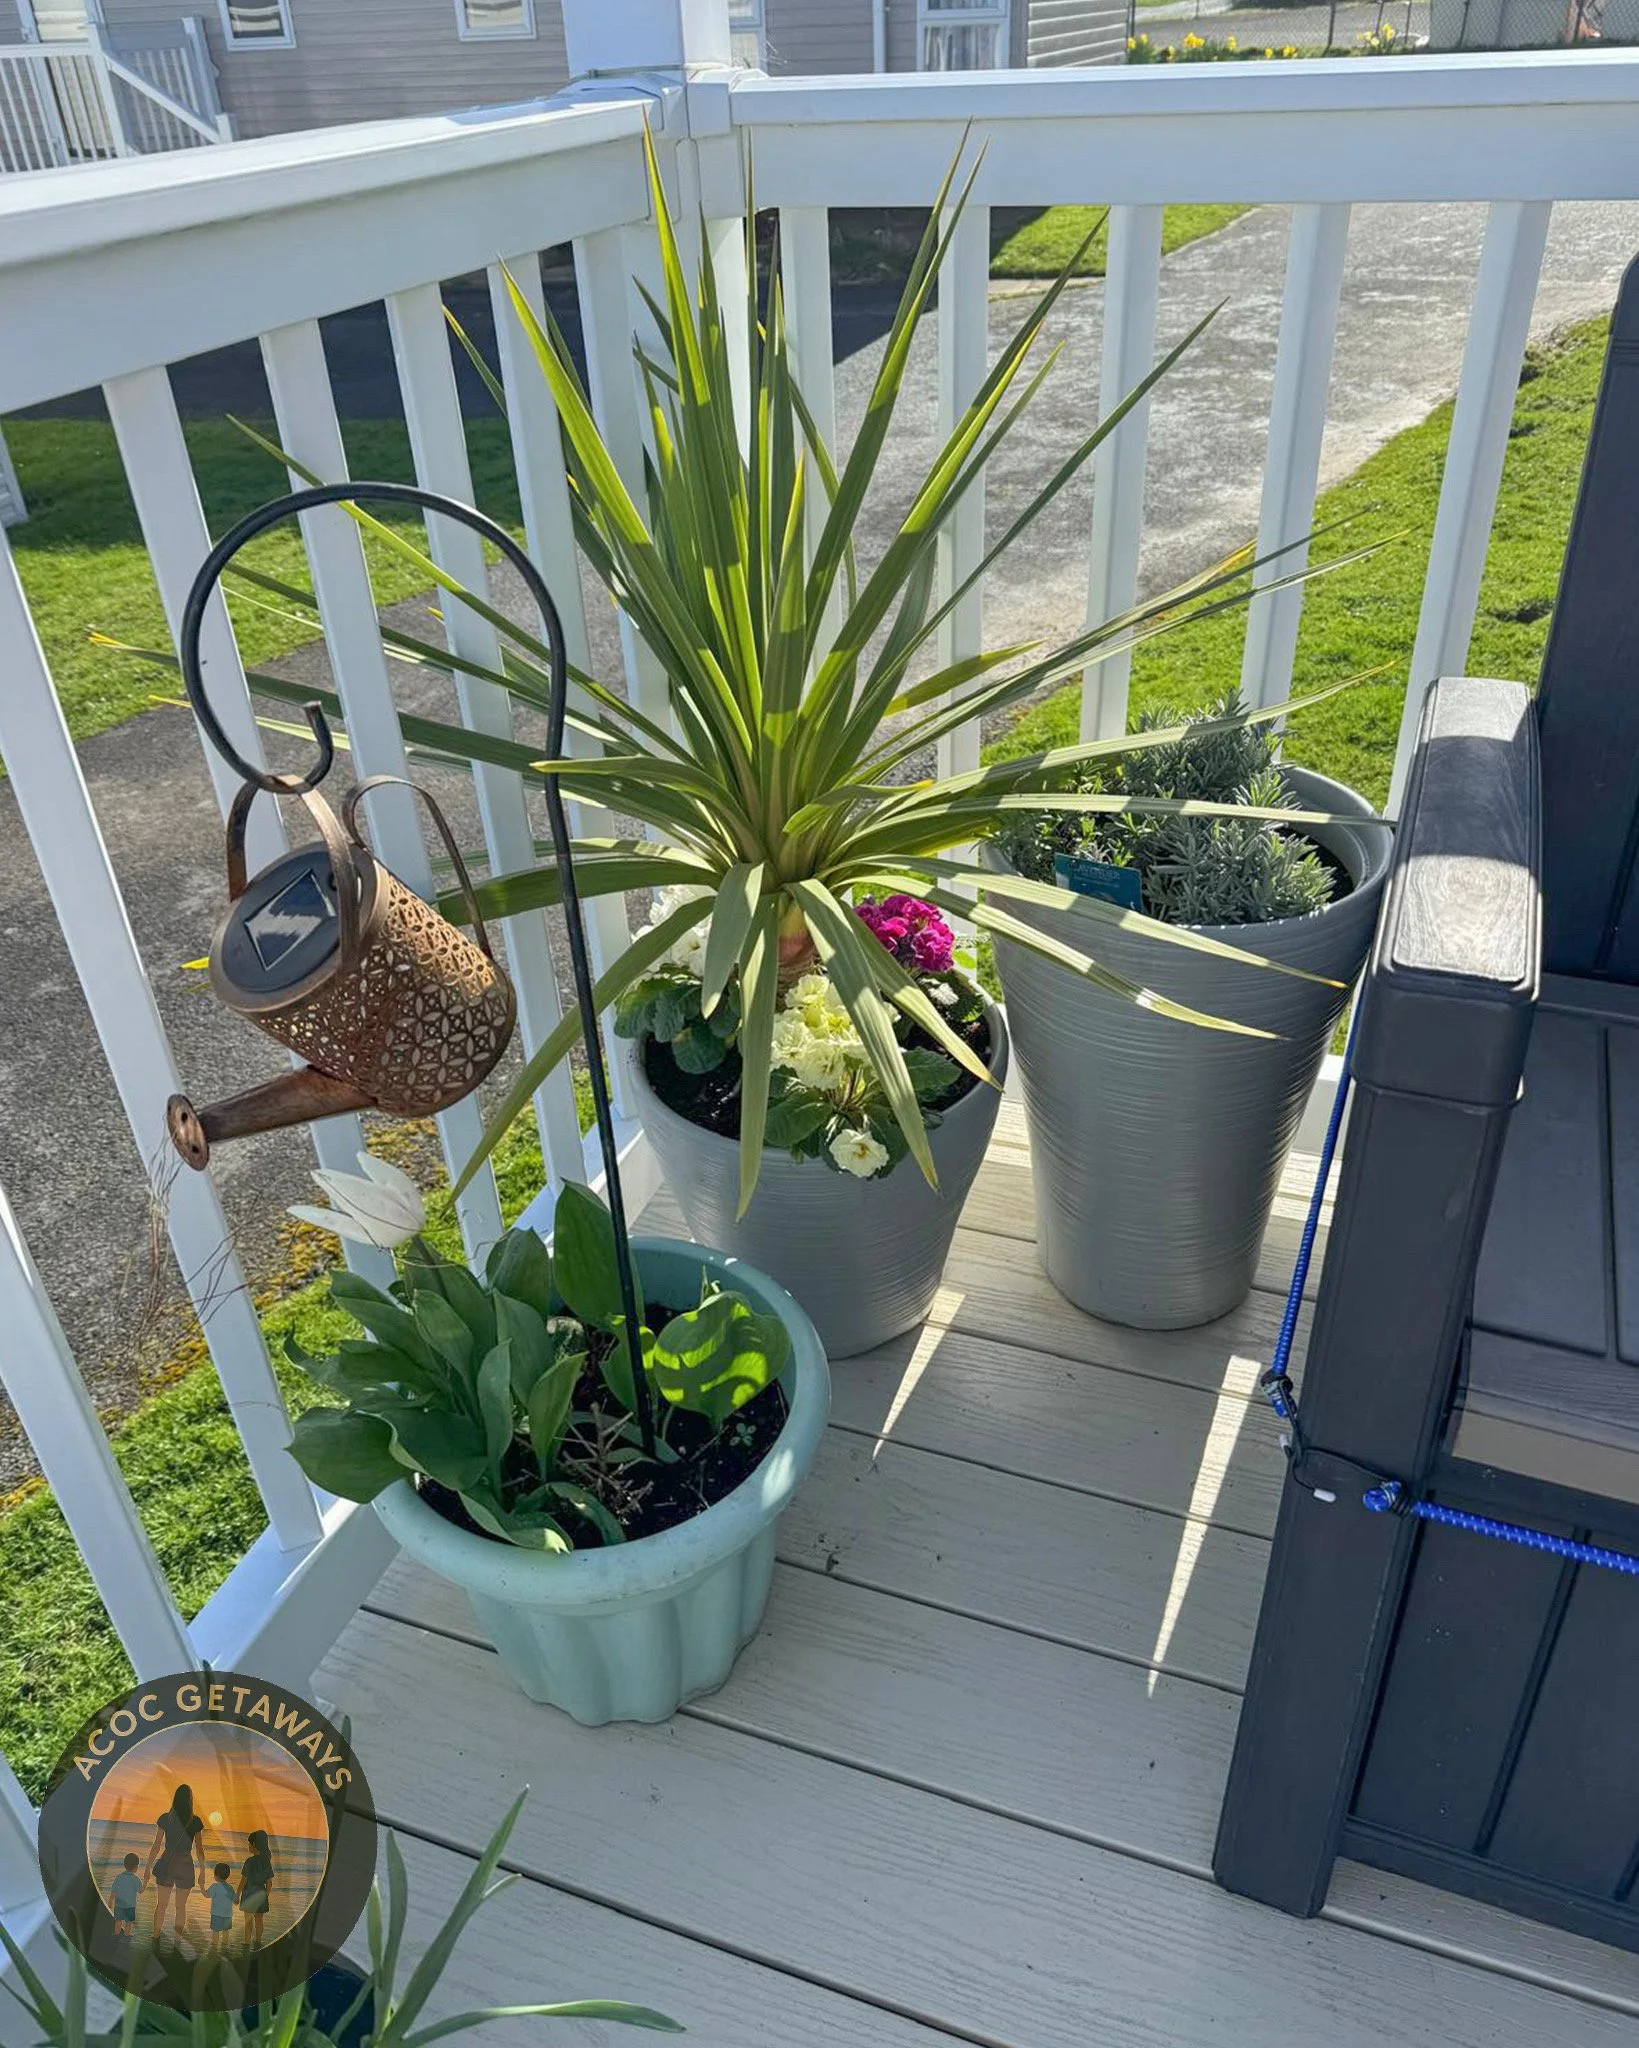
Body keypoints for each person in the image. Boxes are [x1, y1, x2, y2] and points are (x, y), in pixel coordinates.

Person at [144, 1784, 205, 1947]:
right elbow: (199, 1849)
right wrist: (203, 1871)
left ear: (175, 1798)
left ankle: (155, 1937)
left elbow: (156, 1845)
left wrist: (148, 1866)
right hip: (185, 1864)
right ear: (190, 1800)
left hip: (168, 1861)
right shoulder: (195, 1821)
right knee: (180, 1907)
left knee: (161, 1905)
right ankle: (177, 1941)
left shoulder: (166, 1818)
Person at [238, 1830, 273, 1949]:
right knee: (259, 1921)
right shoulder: (266, 1861)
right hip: (261, 1894)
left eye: (249, 1844)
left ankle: (246, 1943)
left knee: (248, 1922)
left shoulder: (249, 1862)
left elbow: (243, 1881)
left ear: (253, 1844)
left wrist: (237, 1894)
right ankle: (258, 1942)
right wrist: (265, 1896)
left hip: (249, 1894)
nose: (248, 1846)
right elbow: (269, 1883)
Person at [109, 1853, 142, 1940]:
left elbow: (113, 1890)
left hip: (119, 1904)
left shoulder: (119, 1877)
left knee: (118, 1920)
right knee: (128, 1922)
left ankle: (116, 1935)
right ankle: (127, 1935)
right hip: (130, 1905)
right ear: (136, 1867)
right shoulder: (135, 1879)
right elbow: (140, 1890)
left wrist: (110, 1901)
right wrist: (145, 1882)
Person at [205, 1862, 237, 1950]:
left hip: (216, 1914)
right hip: (227, 1915)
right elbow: (235, 1900)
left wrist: (201, 1887)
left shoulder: (215, 1886)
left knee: (215, 1931)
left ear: (217, 1875)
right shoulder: (230, 1887)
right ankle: (225, 1946)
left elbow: (207, 1895)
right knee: (226, 1931)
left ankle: (214, 1946)